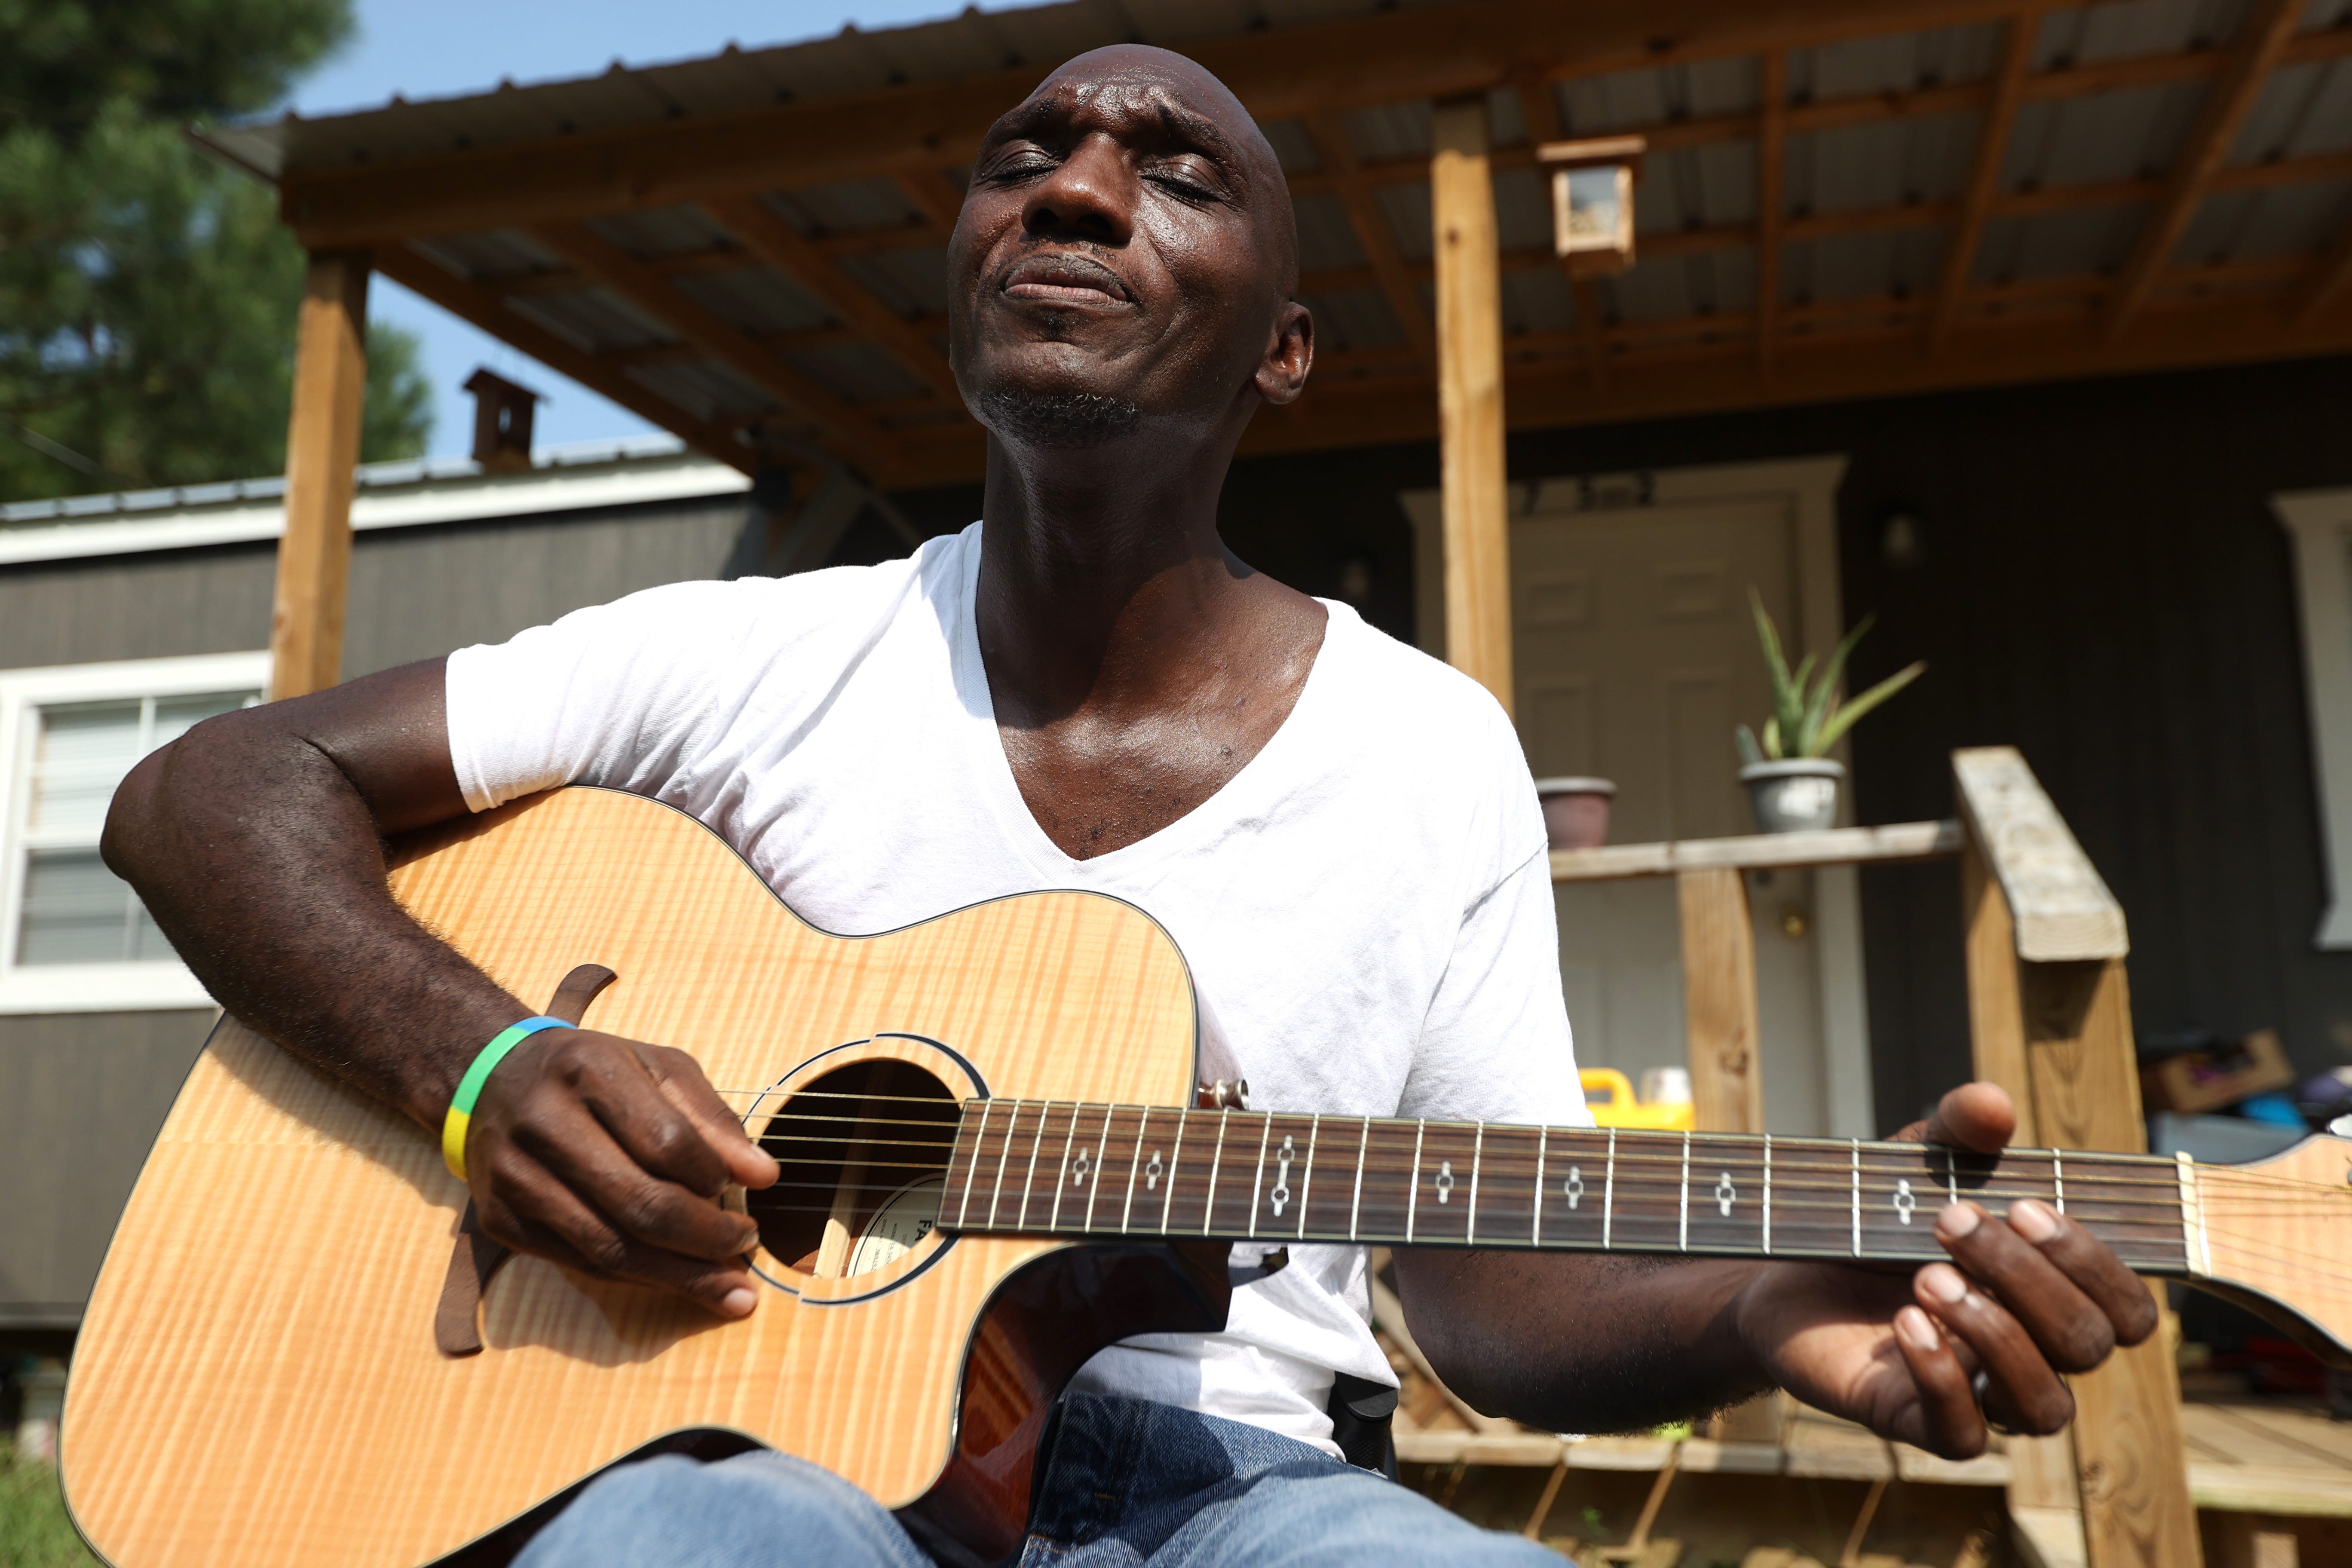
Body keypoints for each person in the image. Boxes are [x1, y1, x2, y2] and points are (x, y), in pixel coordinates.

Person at [104, 43, 2158, 1568]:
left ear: (1281, 354)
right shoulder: (741, 658)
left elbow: (1475, 1290)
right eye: (1029, 160)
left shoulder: (1429, 749)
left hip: (1242, 1483)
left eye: (1172, 174)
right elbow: (209, 788)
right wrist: (496, 1067)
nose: (1077, 191)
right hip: (736, 1460)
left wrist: (1756, 1294)